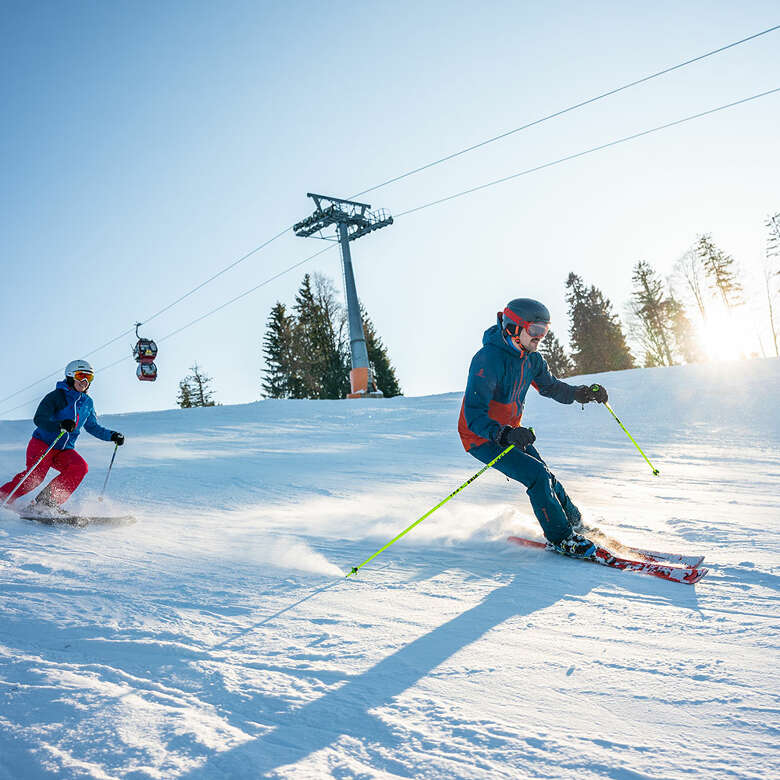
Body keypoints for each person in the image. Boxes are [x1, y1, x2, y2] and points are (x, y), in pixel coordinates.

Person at [458, 298, 608, 557]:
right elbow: (474, 415)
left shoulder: (533, 360)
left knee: (546, 475)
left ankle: (574, 524)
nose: (541, 337)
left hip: (510, 433)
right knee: (536, 476)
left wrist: (582, 394)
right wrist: (504, 433)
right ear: (514, 328)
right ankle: (561, 539)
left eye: (545, 331)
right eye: (535, 330)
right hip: (481, 437)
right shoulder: (488, 359)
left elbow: (551, 387)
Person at [0, 359, 125, 514]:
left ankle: (45, 503)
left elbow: (93, 426)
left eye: (89, 378)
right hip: (43, 444)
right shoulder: (57, 396)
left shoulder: (87, 403)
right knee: (36, 477)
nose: (85, 381)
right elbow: (39, 418)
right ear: (71, 376)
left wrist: (111, 435)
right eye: (81, 376)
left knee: (79, 467)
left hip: (64, 449)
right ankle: (3, 496)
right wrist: (60, 424)